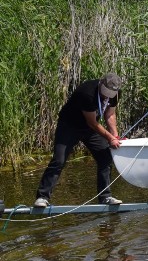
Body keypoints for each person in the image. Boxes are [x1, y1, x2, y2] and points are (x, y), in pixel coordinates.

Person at [34, 73, 124, 207]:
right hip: (69, 126)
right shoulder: (87, 92)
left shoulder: (116, 93)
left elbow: (110, 114)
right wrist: (110, 138)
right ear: (101, 83)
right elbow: (92, 123)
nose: (107, 96)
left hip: (89, 130)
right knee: (59, 160)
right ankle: (42, 197)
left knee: (105, 158)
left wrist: (115, 136)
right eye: (105, 93)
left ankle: (105, 197)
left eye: (110, 94)